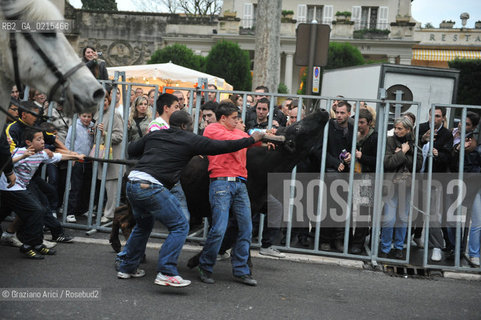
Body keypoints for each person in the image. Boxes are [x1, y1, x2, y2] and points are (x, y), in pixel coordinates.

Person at [117, 110, 264, 287]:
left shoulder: (156, 134)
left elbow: (131, 149)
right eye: (191, 124)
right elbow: (223, 146)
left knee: (143, 225)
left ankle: (126, 267)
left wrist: (154, 146)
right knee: (180, 225)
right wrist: (251, 140)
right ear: (185, 126)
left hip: (133, 182)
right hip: (152, 186)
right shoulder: (189, 139)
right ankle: (166, 271)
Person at [197, 101, 262, 286]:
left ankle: (241, 270)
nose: (237, 121)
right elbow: (238, 141)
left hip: (239, 183)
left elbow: (250, 140)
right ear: (223, 118)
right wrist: (254, 139)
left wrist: (265, 141)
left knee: (246, 228)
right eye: (234, 118)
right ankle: (206, 266)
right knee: (219, 228)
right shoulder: (212, 129)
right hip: (221, 183)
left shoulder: (239, 133)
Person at [0, 127, 83, 259]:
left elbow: (59, 156)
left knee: (37, 210)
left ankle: (35, 244)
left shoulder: (41, 154)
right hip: (9, 188)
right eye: (38, 139)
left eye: (43, 139)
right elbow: (5, 163)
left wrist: (76, 156)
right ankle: (28, 245)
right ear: (28, 142)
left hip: (21, 188)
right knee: (36, 210)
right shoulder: (20, 151)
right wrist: (23, 156)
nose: (43, 142)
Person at [380, 117, 422, 259]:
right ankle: (385, 248)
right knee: (389, 219)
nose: (396, 131)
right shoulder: (389, 141)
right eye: (395, 128)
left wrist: (400, 154)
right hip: (391, 185)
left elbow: (418, 164)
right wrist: (402, 153)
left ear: (408, 130)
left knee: (403, 218)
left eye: (400, 128)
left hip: (407, 185)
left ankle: (399, 247)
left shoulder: (415, 143)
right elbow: (388, 163)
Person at [418, 107, 453, 262]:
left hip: (435, 178)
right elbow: (411, 144)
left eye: (438, 116)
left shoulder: (446, 134)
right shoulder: (422, 128)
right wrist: (422, 139)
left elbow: (448, 156)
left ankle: (437, 246)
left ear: (443, 118)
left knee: (432, 214)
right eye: (432, 115)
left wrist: (438, 155)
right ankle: (413, 239)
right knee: (413, 210)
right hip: (417, 176)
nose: (434, 119)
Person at [320, 100, 354, 252]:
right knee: (330, 206)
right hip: (330, 171)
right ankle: (326, 240)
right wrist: (335, 162)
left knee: (344, 208)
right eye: (337, 112)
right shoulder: (328, 127)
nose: (339, 115)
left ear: (349, 113)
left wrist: (351, 157)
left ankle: (339, 239)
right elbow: (319, 150)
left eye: (342, 113)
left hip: (348, 172)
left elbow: (358, 148)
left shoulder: (353, 128)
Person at [350, 109, 378, 254]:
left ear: (369, 123)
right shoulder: (354, 135)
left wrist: (361, 156)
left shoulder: (375, 137)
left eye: (362, 123)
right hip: (353, 175)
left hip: (368, 177)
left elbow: (378, 161)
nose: (359, 125)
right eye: (357, 122)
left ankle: (358, 243)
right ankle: (350, 240)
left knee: (363, 211)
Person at [94, 91, 124, 223]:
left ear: (109, 101)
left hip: (113, 158)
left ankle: (110, 214)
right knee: (107, 188)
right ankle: (108, 212)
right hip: (103, 157)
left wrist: (104, 133)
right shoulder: (99, 115)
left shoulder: (114, 116)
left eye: (105, 100)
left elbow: (119, 136)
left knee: (112, 190)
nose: (103, 103)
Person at [65, 112, 95, 223]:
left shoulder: (92, 127)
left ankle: (82, 209)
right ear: (79, 116)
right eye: (84, 116)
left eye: (89, 116)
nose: (87, 119)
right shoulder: (74, 127)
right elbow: (68, 143)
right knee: (75, 186)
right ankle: (70, 212)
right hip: (77, 159)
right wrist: (71, 156)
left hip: (88, 160)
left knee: (86, 186)